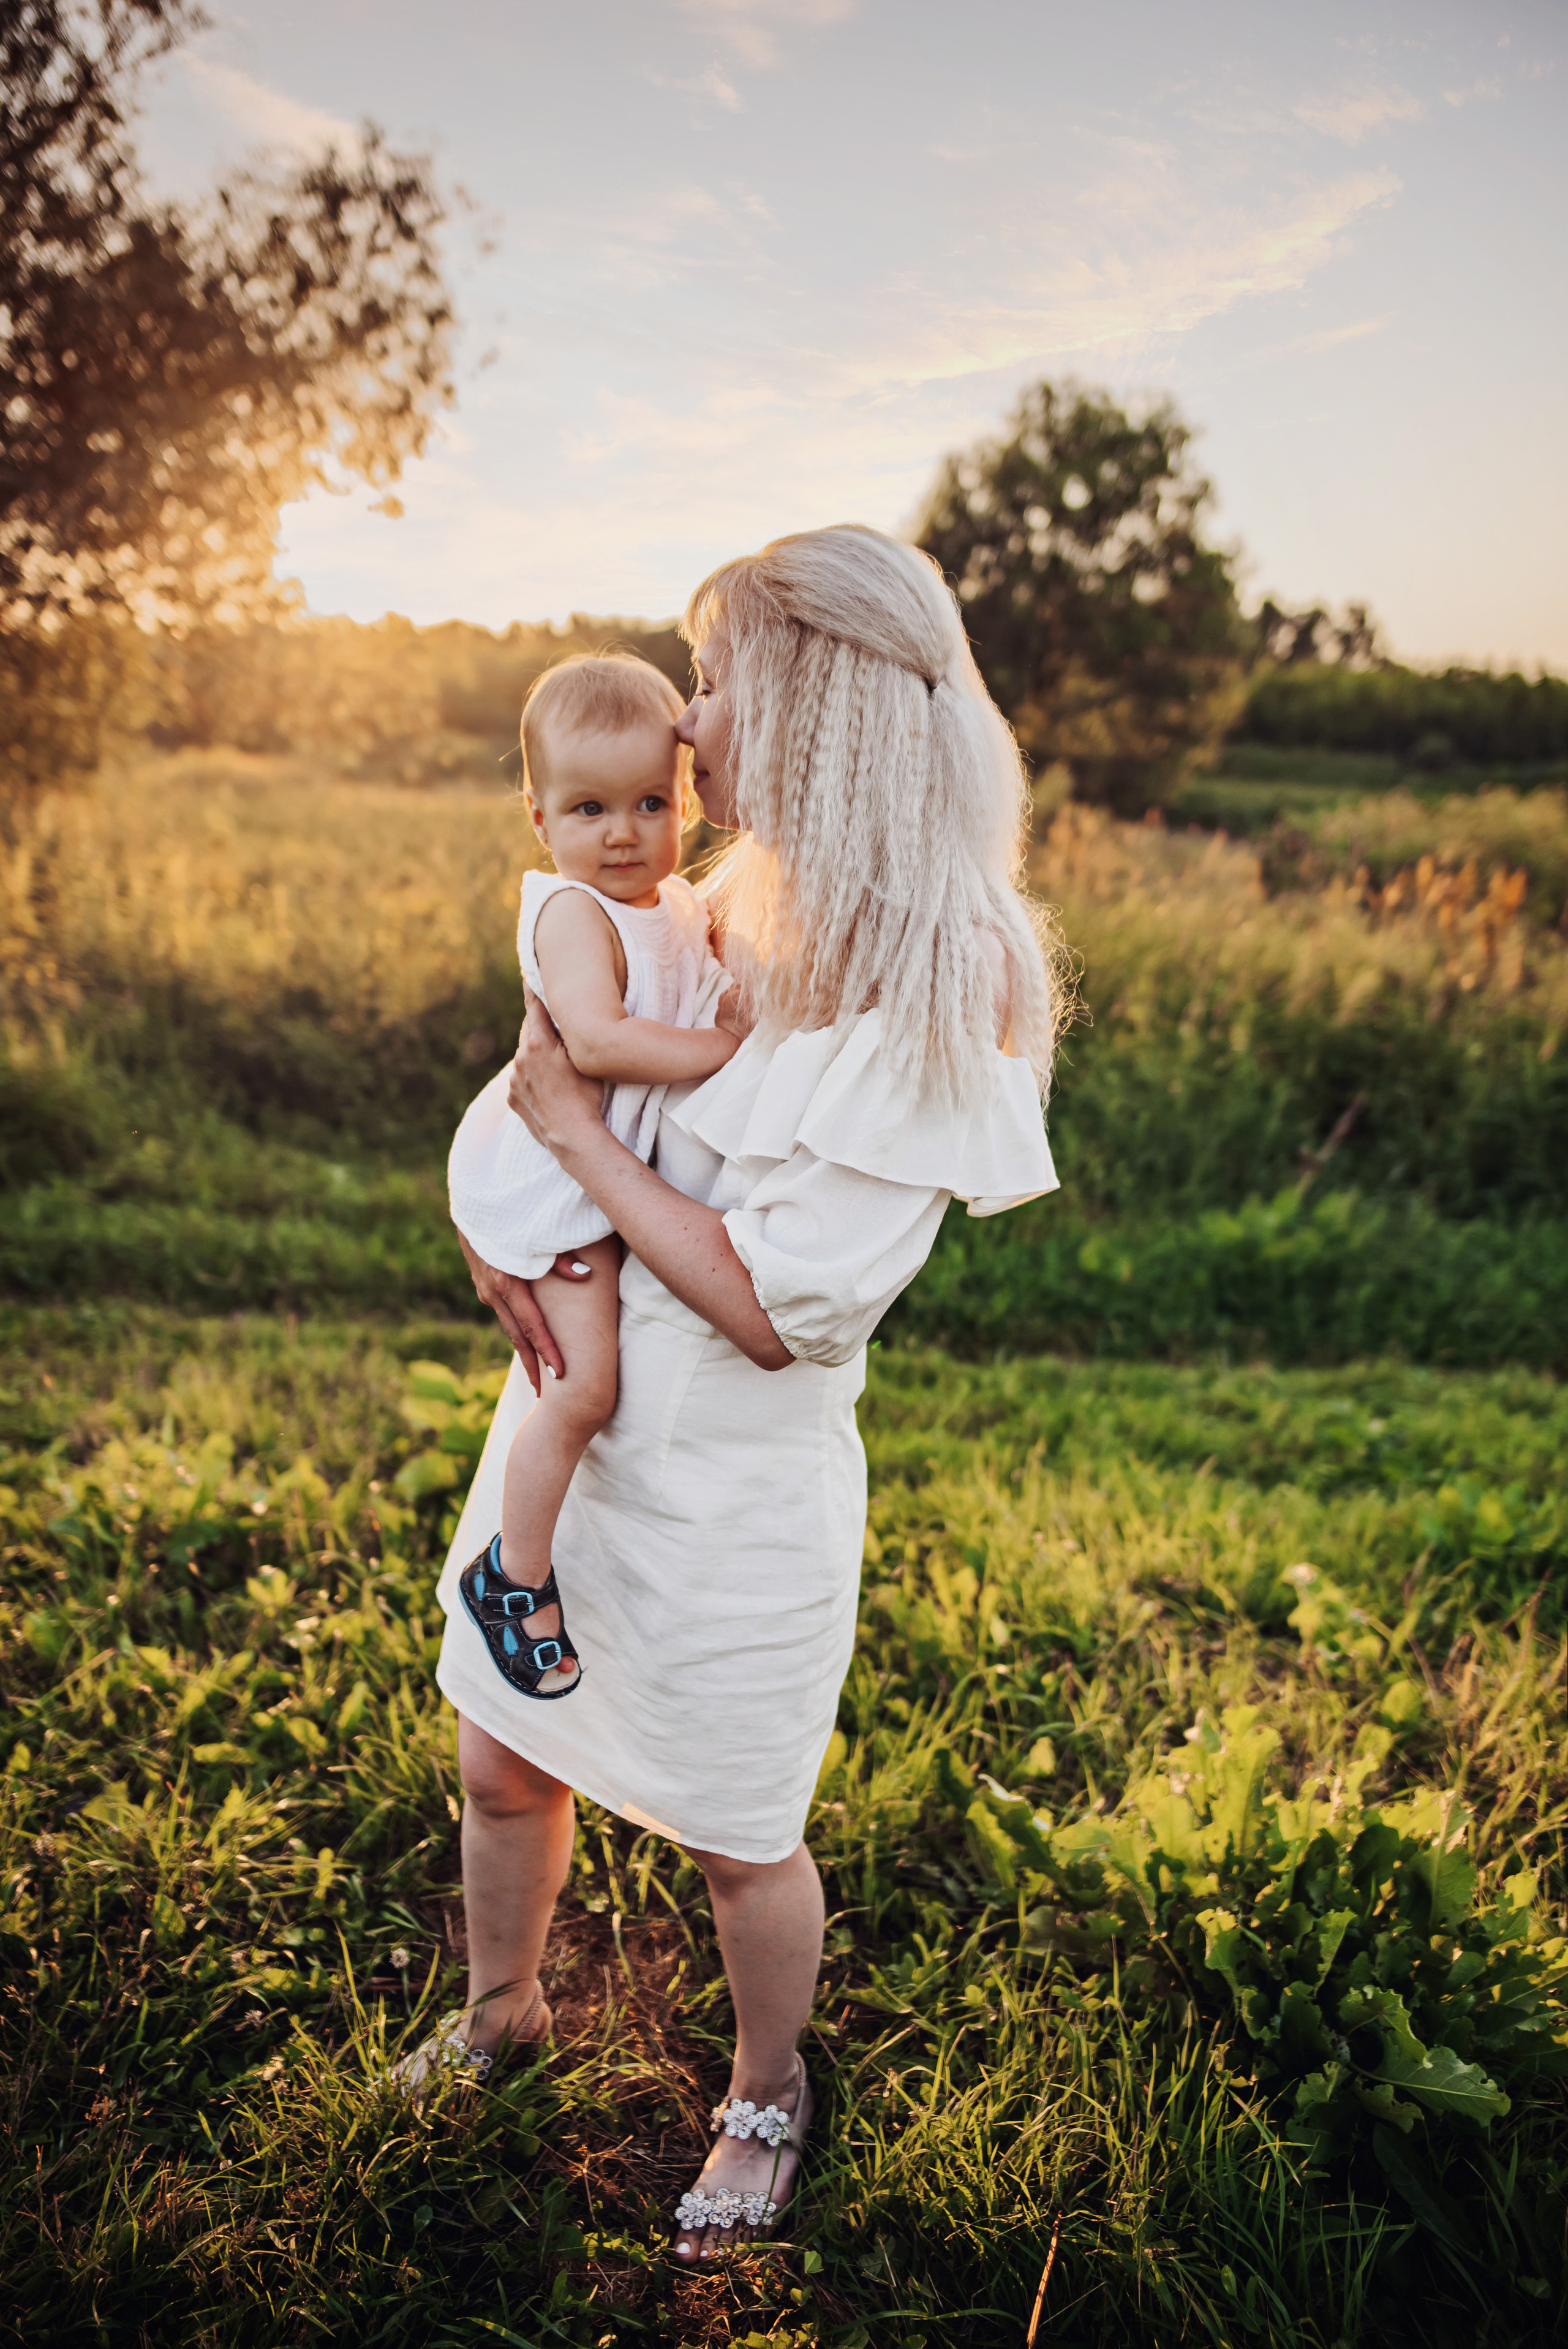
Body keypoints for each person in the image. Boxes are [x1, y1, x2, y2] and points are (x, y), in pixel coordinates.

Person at [410, 524, 1067, 2264]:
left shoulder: (942, 977)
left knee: (736, 1827)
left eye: (716, 678)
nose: (689, 719)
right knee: (501, 1757)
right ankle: (501, 2009)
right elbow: (563, 1073)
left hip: (732, 1480)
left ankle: (765, 2091)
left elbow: (777, 1309)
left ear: (811, 700)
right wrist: (502, 1208)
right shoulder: (732, 897)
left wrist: (575, 1148)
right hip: (582, 1419)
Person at [445, 654, 741, 1700]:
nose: (622, 832)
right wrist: (729, 1051)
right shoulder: (575, 913)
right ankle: (511, 1577)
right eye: (589, 808)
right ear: (539, 817)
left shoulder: (677, 905)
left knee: (589, 1386)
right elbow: (600, 1040)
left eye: (649, 803)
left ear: (686, 802)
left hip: (594, 1177)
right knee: (583, 1391)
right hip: (551, 1185)